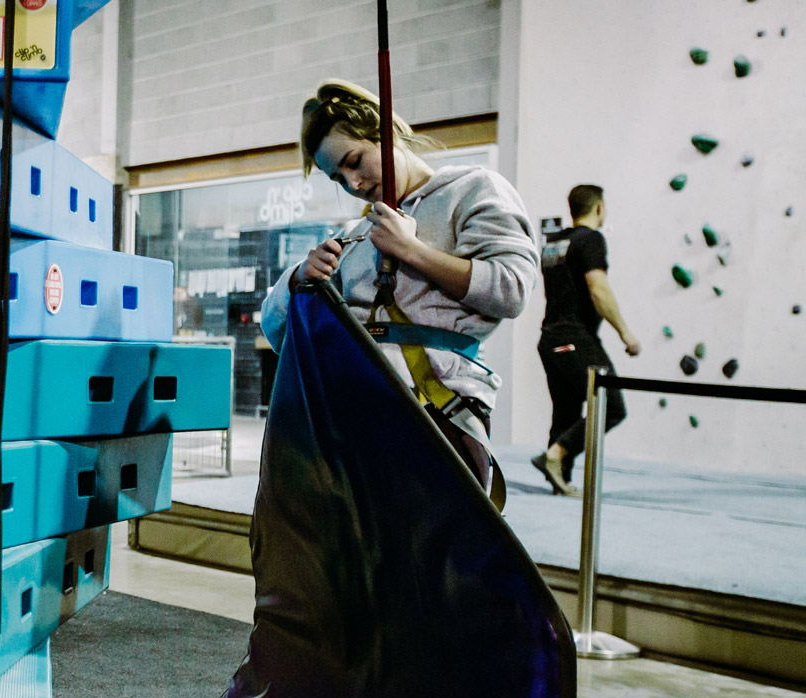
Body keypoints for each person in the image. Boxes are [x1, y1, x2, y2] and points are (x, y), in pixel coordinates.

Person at [262, 79, 539, 497]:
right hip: (346, 418)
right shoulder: (356, 235)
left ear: (385, 131)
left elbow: (511, 288)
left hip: (435, 410)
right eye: (338, 177)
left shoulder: (473, 190)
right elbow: (277, 331)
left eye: (355, 161)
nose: (353, 183)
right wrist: (300, 278)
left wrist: (414, 252)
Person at [532, 185, 639, 496]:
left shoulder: (555, 242)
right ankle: (554, 455)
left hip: (550, 338)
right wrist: (625, 333)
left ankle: (559, 481)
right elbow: (598, 290)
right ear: (599, 208)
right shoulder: (591, 239)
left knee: (566, 411)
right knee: (611, 407)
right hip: (573, 337)